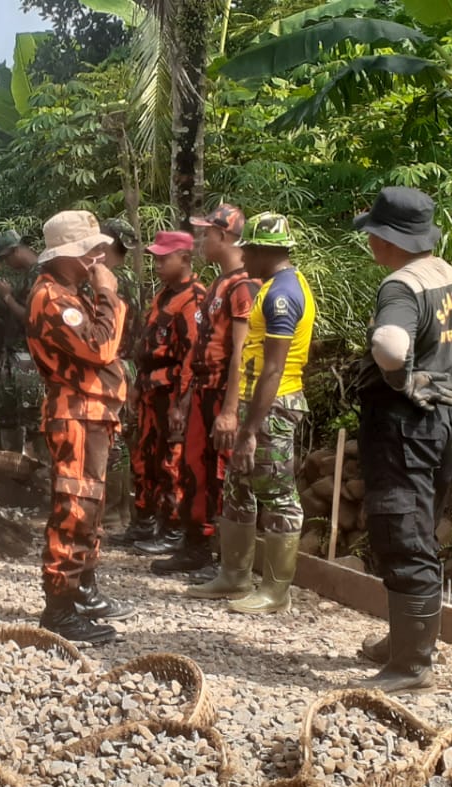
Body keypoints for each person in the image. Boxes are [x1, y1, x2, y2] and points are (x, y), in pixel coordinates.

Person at [352, 187, 452, 693]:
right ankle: (405, 641)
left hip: (403, 429)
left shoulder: (401, 286)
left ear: (385, 239)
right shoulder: (449, 276)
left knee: (403, 537)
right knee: (420, 530)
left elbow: (389, 344)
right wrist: (445, 380)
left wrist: (405, 380)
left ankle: (411, 665)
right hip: (445, 425)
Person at [188, 213, 315, 615]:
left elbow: (274, 369)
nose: (244, 258)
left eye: (249, 251)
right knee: (237, 488)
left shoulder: (283, 295)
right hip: (253, 403)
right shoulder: (272, 287)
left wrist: (250, 430)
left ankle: (276, 591)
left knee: (277, 495)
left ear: (263, 251)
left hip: (274, 407)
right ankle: (234, 574)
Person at [27, 210, 135, 646]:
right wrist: (110, 295)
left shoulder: (70, 291)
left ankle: (81, 596)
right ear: (65, 256)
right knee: (75, 510)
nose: (98, 259)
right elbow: (101, 345)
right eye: (89, 252)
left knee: (88, 509)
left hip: (91, 416)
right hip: (76, 416)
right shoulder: (53, 297)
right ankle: (59, 609)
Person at [154, 204, 259, 575]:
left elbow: (241, 352)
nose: (202, 240)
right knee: (193, 468)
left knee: (220, 471)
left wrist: (230, 410)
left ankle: (221, 556)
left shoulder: (243, 286)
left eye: (207, 233)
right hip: (202, 388)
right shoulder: (220, 283)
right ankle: (195, 544)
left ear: (225, 236)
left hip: (222, 391)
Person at [126, 231, 206, 557]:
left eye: (163, 258)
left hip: (173, 392)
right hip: (150, 390)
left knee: (173, 461)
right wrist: (135, 386)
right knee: (145, 457)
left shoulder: (194, 300)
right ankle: (145, 521)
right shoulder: (164, 296)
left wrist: (182, 403)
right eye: (155, 258)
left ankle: (173, 529)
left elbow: (192, 357)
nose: (157, 264)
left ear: (185, 259)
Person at [0, 230, 46, 457]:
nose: (7, 264)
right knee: (8, 417)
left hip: (29, 358)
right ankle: (11, 469)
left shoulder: (40, 275)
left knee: (34, 421)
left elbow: (32, 318)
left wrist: (7, 296)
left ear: (15, 251)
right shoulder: (31, 273)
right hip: (16, 357)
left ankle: (40, 474)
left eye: (7, 258)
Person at [99, 219, 142, 531]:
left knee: (112, 440)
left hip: (111, 365)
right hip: (127, 366)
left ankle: (114, 514)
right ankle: (121, 512)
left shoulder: (109, 279)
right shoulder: (133, 279)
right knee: (122, 440)